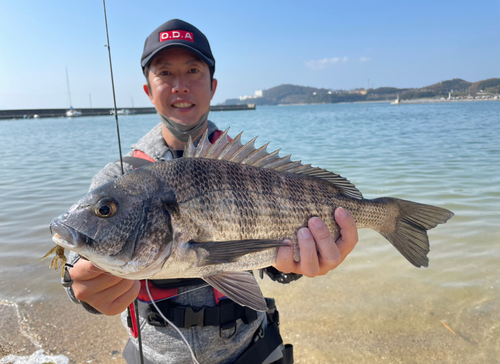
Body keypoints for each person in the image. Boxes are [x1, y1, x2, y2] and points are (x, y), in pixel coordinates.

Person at [65, 19, 359, 364]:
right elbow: (79, 251)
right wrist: (79, 287)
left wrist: (297, 264)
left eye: (193, 70)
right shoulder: (118, 177)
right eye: (164, 73)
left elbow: (270, 259)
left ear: (213, 85)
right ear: (147, 88)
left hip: (253, 349)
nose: (180, 86)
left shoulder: (250, 168)